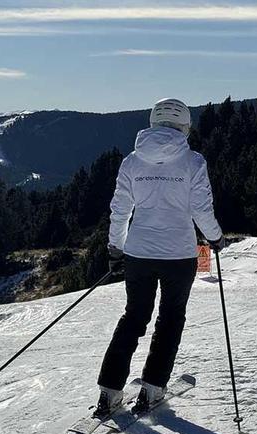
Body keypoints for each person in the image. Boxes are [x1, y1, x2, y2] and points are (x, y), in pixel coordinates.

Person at [95, 98, 224, 417]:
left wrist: (115, 248)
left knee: (134, 317)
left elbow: (120, 210)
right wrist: (216, 237)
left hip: (138, 253)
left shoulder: (132, 162)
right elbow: (201, 209)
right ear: (185, 127)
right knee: (170, 318)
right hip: (179, 255)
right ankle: (152, 387)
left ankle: (110, 391)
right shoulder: (193, 162)